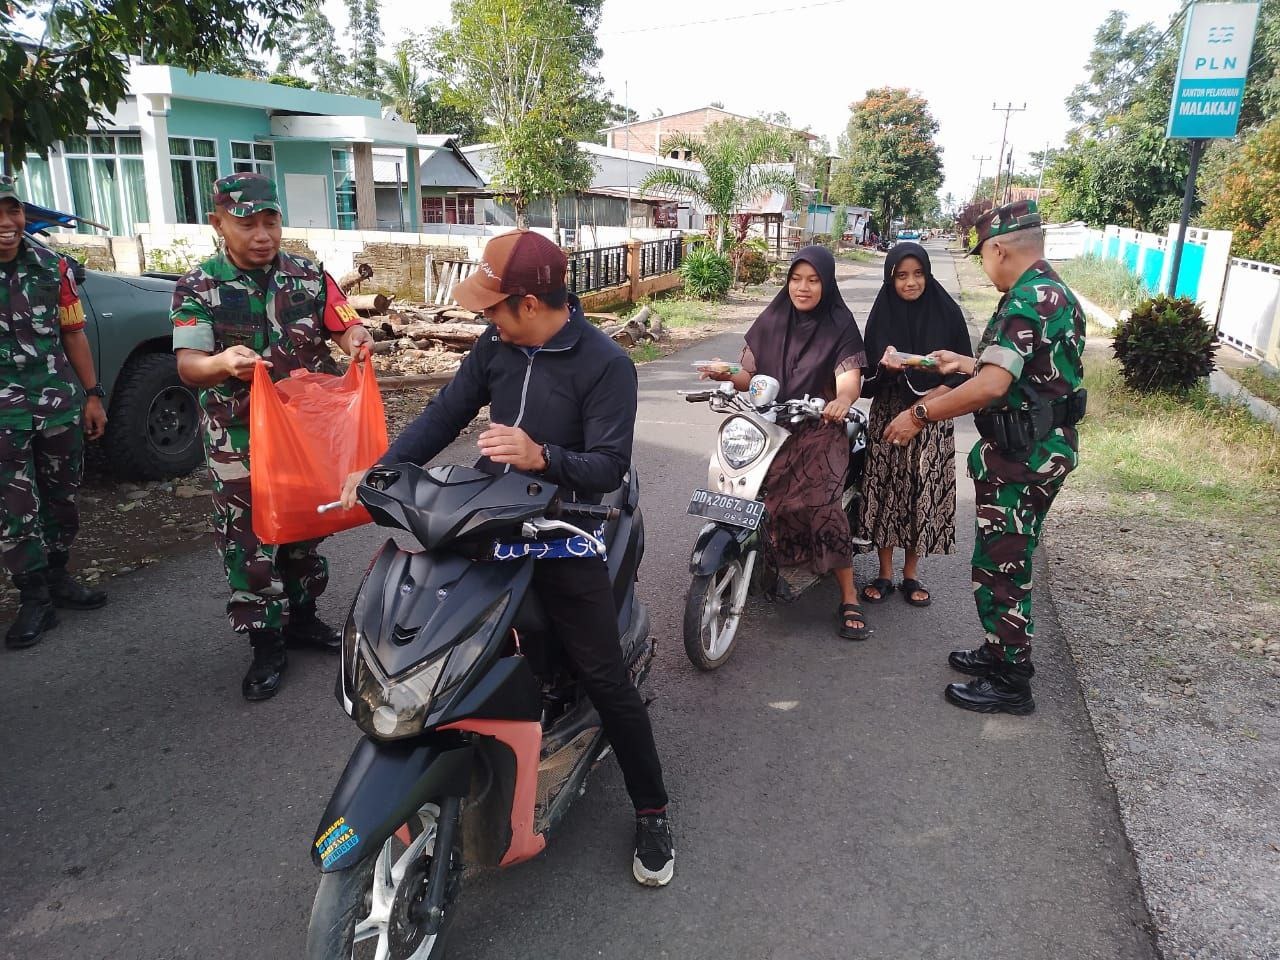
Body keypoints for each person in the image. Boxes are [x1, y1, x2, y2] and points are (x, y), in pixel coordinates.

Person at [338, 229, 675, 888]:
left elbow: (610, 465)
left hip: (565, 526)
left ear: (527, 301)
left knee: (605, 678)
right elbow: (444, 414)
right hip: (487, 516)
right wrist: (379, 472)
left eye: (493, 305)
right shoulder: (496, 345)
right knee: (440, 633)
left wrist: (542, 455)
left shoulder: (606, 364)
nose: (484, 316)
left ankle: (654, 809)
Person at [171, 173, 373, 702]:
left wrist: (354, 337)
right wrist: (221, 362)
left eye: (271, 220)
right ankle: (266, 642)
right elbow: (189, 366)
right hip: (237, 436)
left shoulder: (309, 276)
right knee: (251, 538)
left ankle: (303, 618)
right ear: (219, 224)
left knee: (306, 526)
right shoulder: (199, 286)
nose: (262, 234)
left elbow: (342, 322)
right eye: (247, 223)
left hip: (303, 432)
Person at [883, 200, 1086, 715]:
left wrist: (920, 414)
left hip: (1025, 455)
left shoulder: (1024, 300)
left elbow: (994, 386)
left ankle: (1012, 682)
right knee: (998, 558)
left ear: (998, 249)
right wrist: (967, 361)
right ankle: (998, 654)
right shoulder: (1054, 293)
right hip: (1036, 447)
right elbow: (1028, 370)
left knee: (1003, 566)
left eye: (982, 256)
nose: (984, 265)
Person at [702, 245, 867, 640]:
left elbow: (850, 380)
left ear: (826, 284)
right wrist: (722, 375)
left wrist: (841, 401)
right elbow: (751, 377)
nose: (803, 288)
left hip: (818, 427)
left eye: (813, 280)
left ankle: (849, 595)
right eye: (796, 279)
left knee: (821, 503)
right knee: (741, 485)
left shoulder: (839, 325)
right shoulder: (773, 318)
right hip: (770, 424)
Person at [0, 175, 108, 649]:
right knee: (13, 508)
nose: (7, 223)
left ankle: (59, 575)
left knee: (62, 496)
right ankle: (34, 597)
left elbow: (73, 332)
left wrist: (92, 393)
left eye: (13, 210)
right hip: (3, 415)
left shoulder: (51, 265)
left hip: (56, 404)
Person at [858, 242, 973, 608]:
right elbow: (866, 382)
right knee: (886, 488)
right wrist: (885, 367)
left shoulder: (947, 310)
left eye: (918, 274)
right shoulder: (881, 315)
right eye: (902, 276)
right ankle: (885, 572)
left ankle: (911, 573)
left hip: (935, 413)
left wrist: (928, 401)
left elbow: (965, 374)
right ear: (890, 279)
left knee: (920, 491)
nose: (911, 283)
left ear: (928, 274)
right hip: (889, 413)